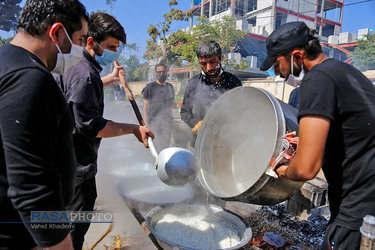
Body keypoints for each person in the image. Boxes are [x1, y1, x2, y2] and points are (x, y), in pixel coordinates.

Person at [260, 21, 375, 250]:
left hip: (358, 208)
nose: (276, 73)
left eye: (277, 64)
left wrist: (280, 169)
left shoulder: (317, 80)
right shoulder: (344, 71)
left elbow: (305, 169)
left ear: (296, 56)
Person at [61, 12, 154, 250]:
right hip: (75, 169)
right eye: (110, 47)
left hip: (73, 164)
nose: (115, 52)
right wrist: (134, 128)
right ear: (90, 42)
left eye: (117, 48)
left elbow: (83, 88)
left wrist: (111, 79)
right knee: (73, 230)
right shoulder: (85, 74)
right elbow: (92, 126)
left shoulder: (80, 68)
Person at [0, 0, 88, 249]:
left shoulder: (7, 62)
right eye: (80, 40)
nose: (80, 50)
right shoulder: (30, 78)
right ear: (58, 32)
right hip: (19, 238)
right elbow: (31, 186)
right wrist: (58, 244)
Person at [180, 40, 242, 146]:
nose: (209, 68)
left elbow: (241, 112)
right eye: (203, 64)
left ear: (221, 58)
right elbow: (184, 112)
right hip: (199, 143)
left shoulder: (234, 82)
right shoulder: (193, 83)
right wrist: (195, 124)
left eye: (213, 62)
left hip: (226, 143)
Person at [143, 63, 176, 150]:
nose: (161, 74)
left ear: (166, 73)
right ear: (155, 73)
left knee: (165, 145)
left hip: (167, 122)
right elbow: (145, 105)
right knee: (154, 145)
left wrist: (180, 106)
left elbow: (171, 102)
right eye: (159, 72)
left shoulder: (170, 87)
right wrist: (146, 123)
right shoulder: (150, 87)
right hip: (153, 121)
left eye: (163, 72)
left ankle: (163, 162)